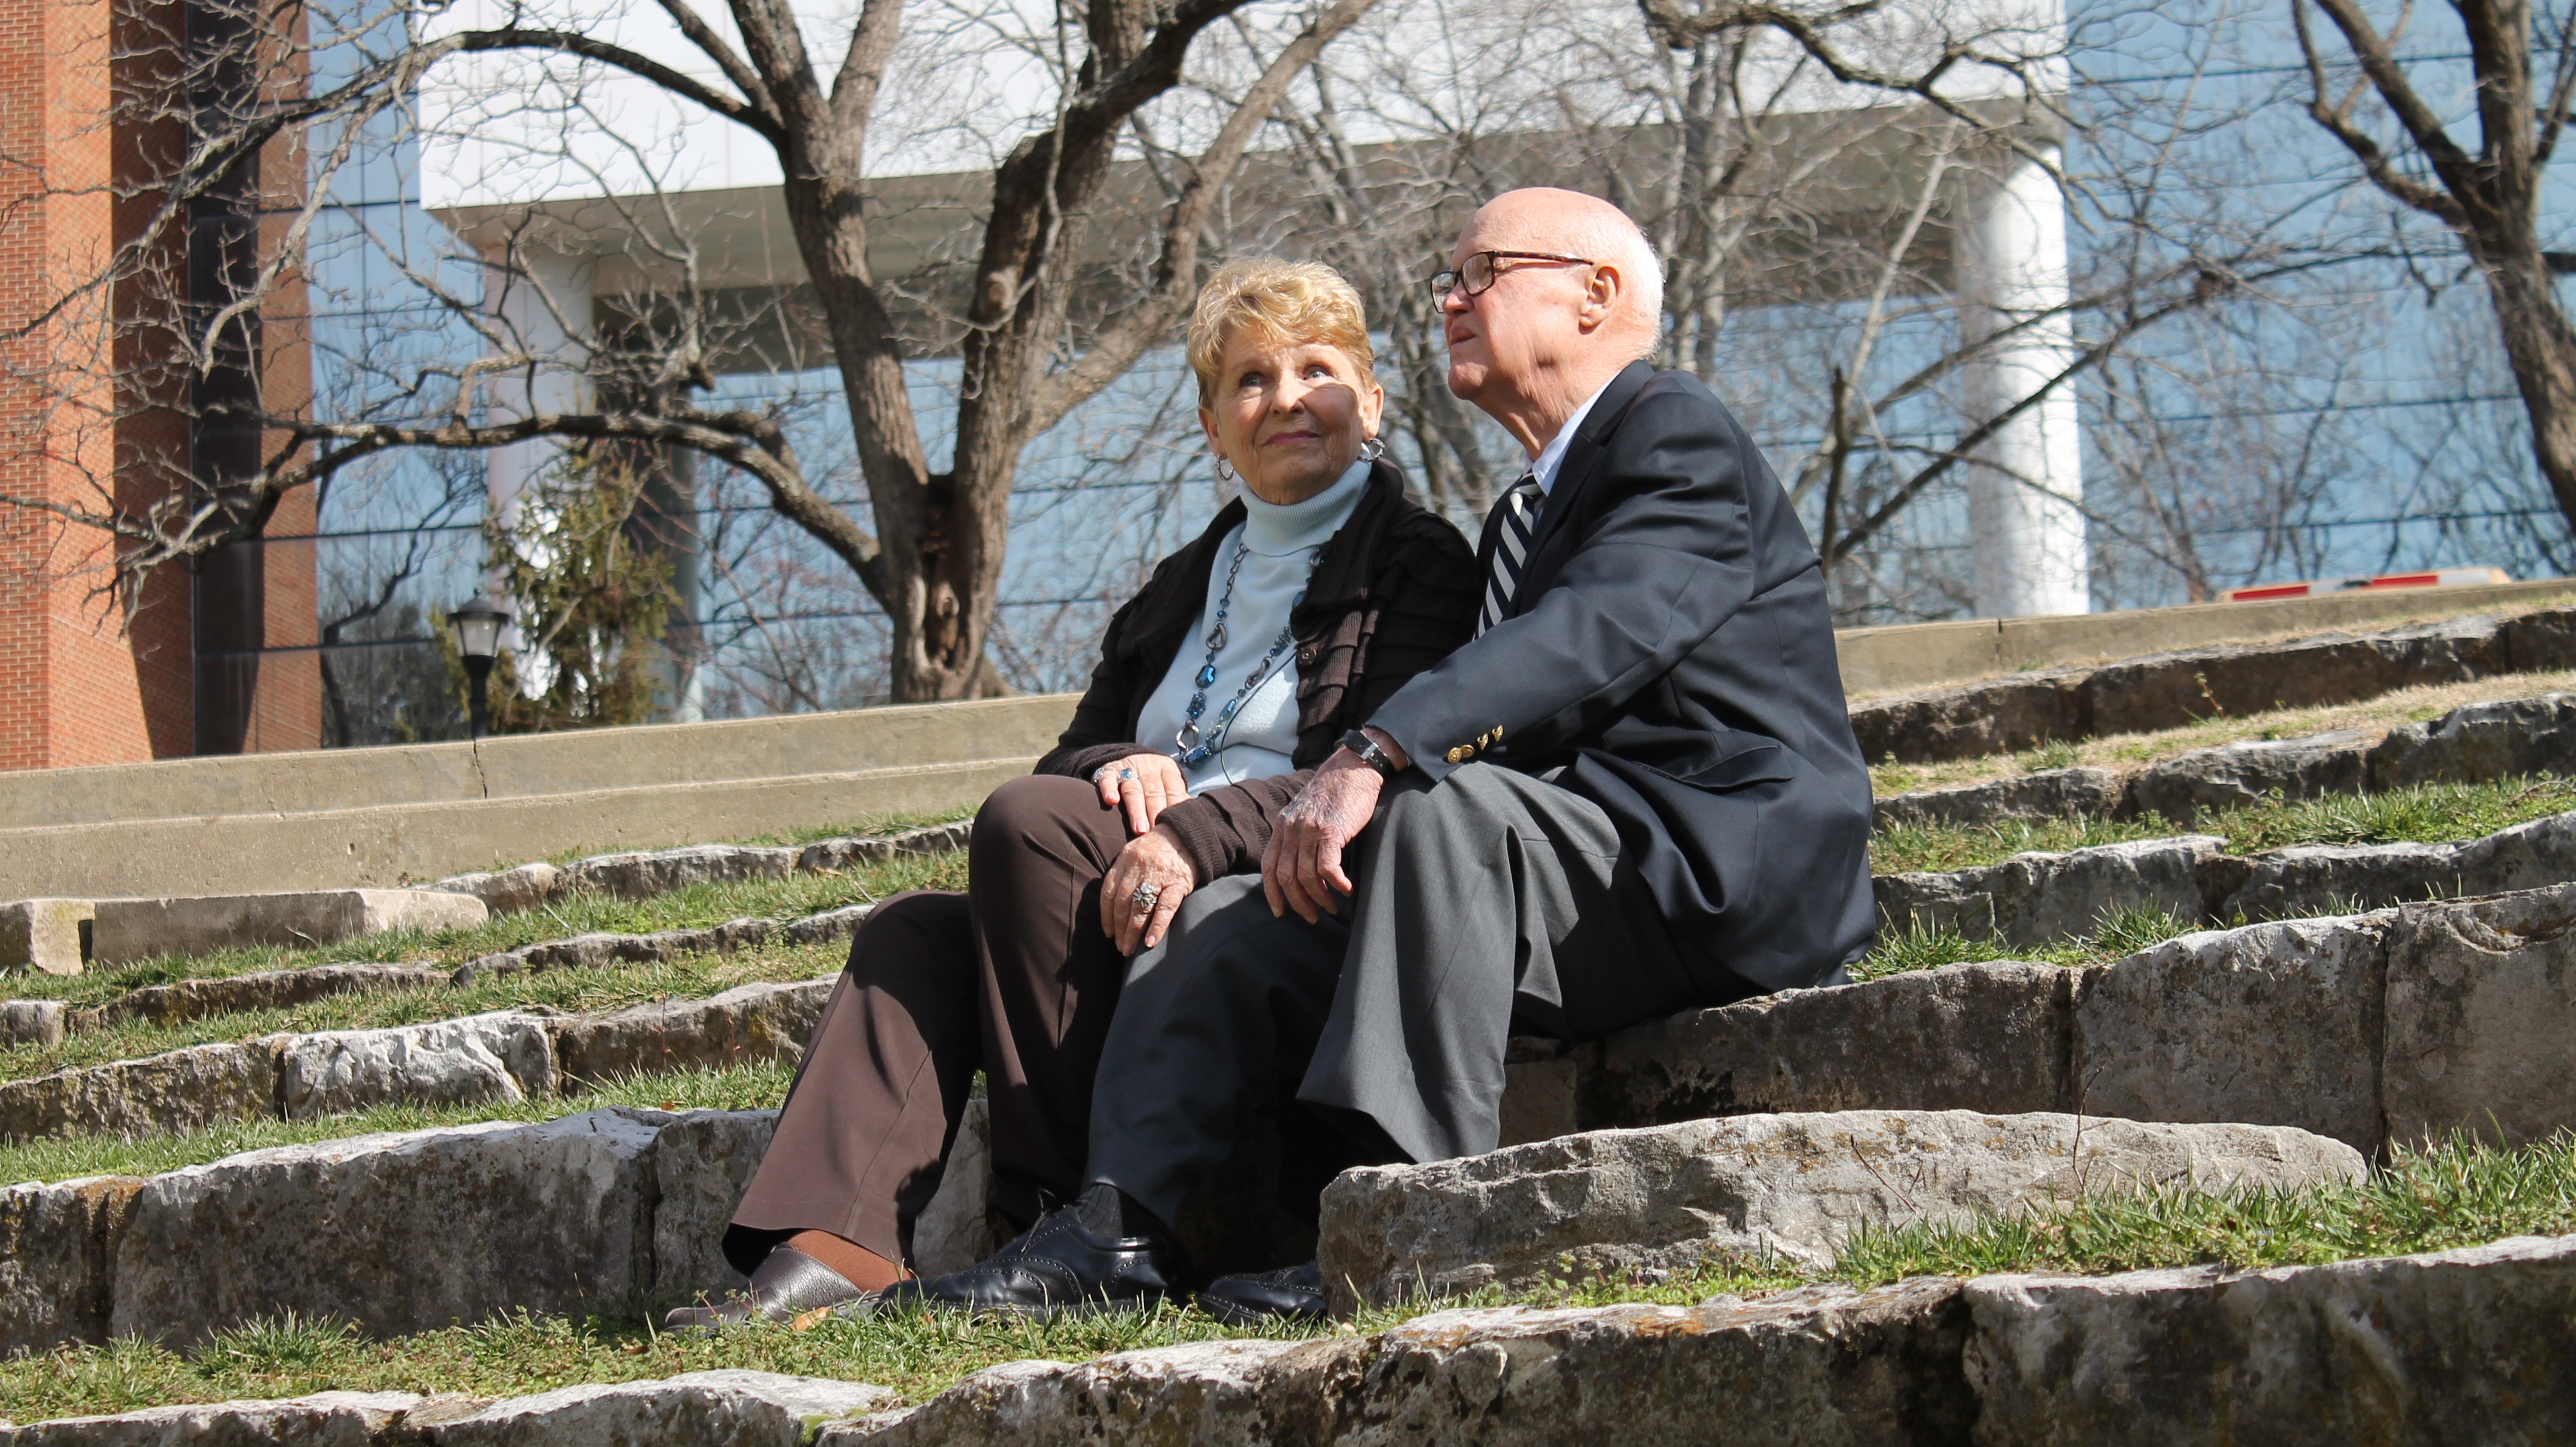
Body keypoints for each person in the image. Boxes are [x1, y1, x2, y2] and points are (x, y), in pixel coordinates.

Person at [892, 187, 1877, 1324]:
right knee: (1229, 920)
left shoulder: (1672, 430)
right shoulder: (1524, 511)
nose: (1450, 300)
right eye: (1447, 280)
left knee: (1436, 811)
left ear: (1596, 292)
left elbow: (1597, 632)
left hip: (1711, 861)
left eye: (1481, 272)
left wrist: (1375, 748)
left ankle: (1408, 1224)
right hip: (1570, 869)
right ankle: (1114, 1233)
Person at [663, 259, 1479, 1328]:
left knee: (1026, 825)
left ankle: (1064, 1224)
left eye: (1317, 369)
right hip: (1124, 901)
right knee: (919, 932)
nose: (1285, 398)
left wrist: (1190, 829)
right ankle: (835, 1244)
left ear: (1368, 402)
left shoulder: (1420, 566)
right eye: (1249, 380)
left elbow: (1365, 771)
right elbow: (1073, 755)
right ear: (1209, 426)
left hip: (1282, 907)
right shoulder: (1180, 586)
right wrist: (1115, 767)